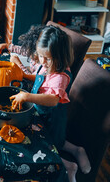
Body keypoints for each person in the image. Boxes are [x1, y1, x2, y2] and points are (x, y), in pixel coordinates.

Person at [9, 26, 91, 182]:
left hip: (51, 118)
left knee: (48, 146)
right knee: (57, 141)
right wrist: (25, 74)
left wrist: (27, 96)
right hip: (40, 113)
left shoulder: (61, 76)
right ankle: (77, 150)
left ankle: (68, 166)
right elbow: (40, 79)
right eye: (40, 56)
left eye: (47, 58)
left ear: (60, 57)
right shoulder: (46, 65)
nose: (43, 61)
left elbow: (52, 99)